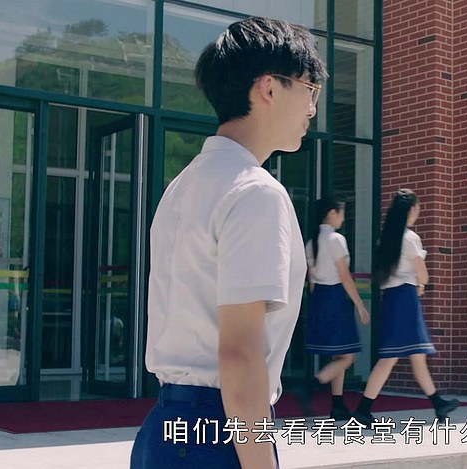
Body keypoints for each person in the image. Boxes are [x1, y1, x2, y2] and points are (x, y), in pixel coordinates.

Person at [130, 17, 326, 469]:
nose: (312, 109)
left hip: (166, 428)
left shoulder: (183, 185)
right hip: (218, 432)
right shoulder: (255, 192)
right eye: (309, 89)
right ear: (269, 88)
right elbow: (240, 353)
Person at [352, 189, 459, 426]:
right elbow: (423, 274)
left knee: (407, 355)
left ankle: (437, 404)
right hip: (406, 299)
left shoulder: (388, 238)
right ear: (411, 210)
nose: (418, 212)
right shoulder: (411, 238)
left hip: (392, 298)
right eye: (417, 208)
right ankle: (364, 409)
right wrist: (421, 284)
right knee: (399, 356)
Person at [300, 197, 370, 421]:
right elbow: (344, 276)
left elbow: (311, 280)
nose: (343, 218)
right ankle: (313, 384)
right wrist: (360, 306)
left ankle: (337, 405)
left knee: (338, 355)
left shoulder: (311, 243)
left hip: (320, 298)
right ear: (331, 213)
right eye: (342, 213)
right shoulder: (336, 239)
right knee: (347, 357)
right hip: (336, 297)